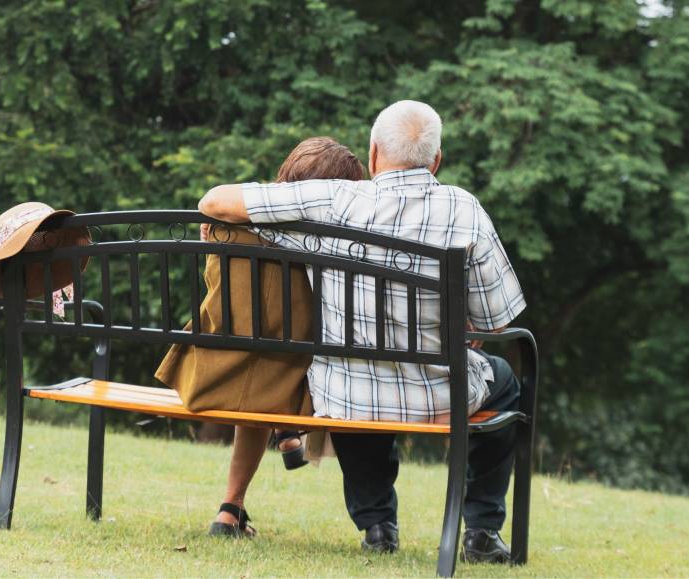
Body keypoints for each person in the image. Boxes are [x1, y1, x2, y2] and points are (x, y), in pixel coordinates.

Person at [197, 100, 527, 564]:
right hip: (438, 394)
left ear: (373, 155)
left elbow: (213, 202)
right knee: (506, 380)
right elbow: (498, 322)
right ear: (436, 160)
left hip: (345, 394)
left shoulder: (333, 199)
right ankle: (481, 529)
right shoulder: (465, 209)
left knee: (357, 384)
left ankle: (376, 523)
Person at [156, 137, 364, 537]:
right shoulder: (327, 244)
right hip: (281, 387)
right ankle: (283, 435)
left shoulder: (225, 226)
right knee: (272, 363)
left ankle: (229, 511)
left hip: (207, 375)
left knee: (256, 358)